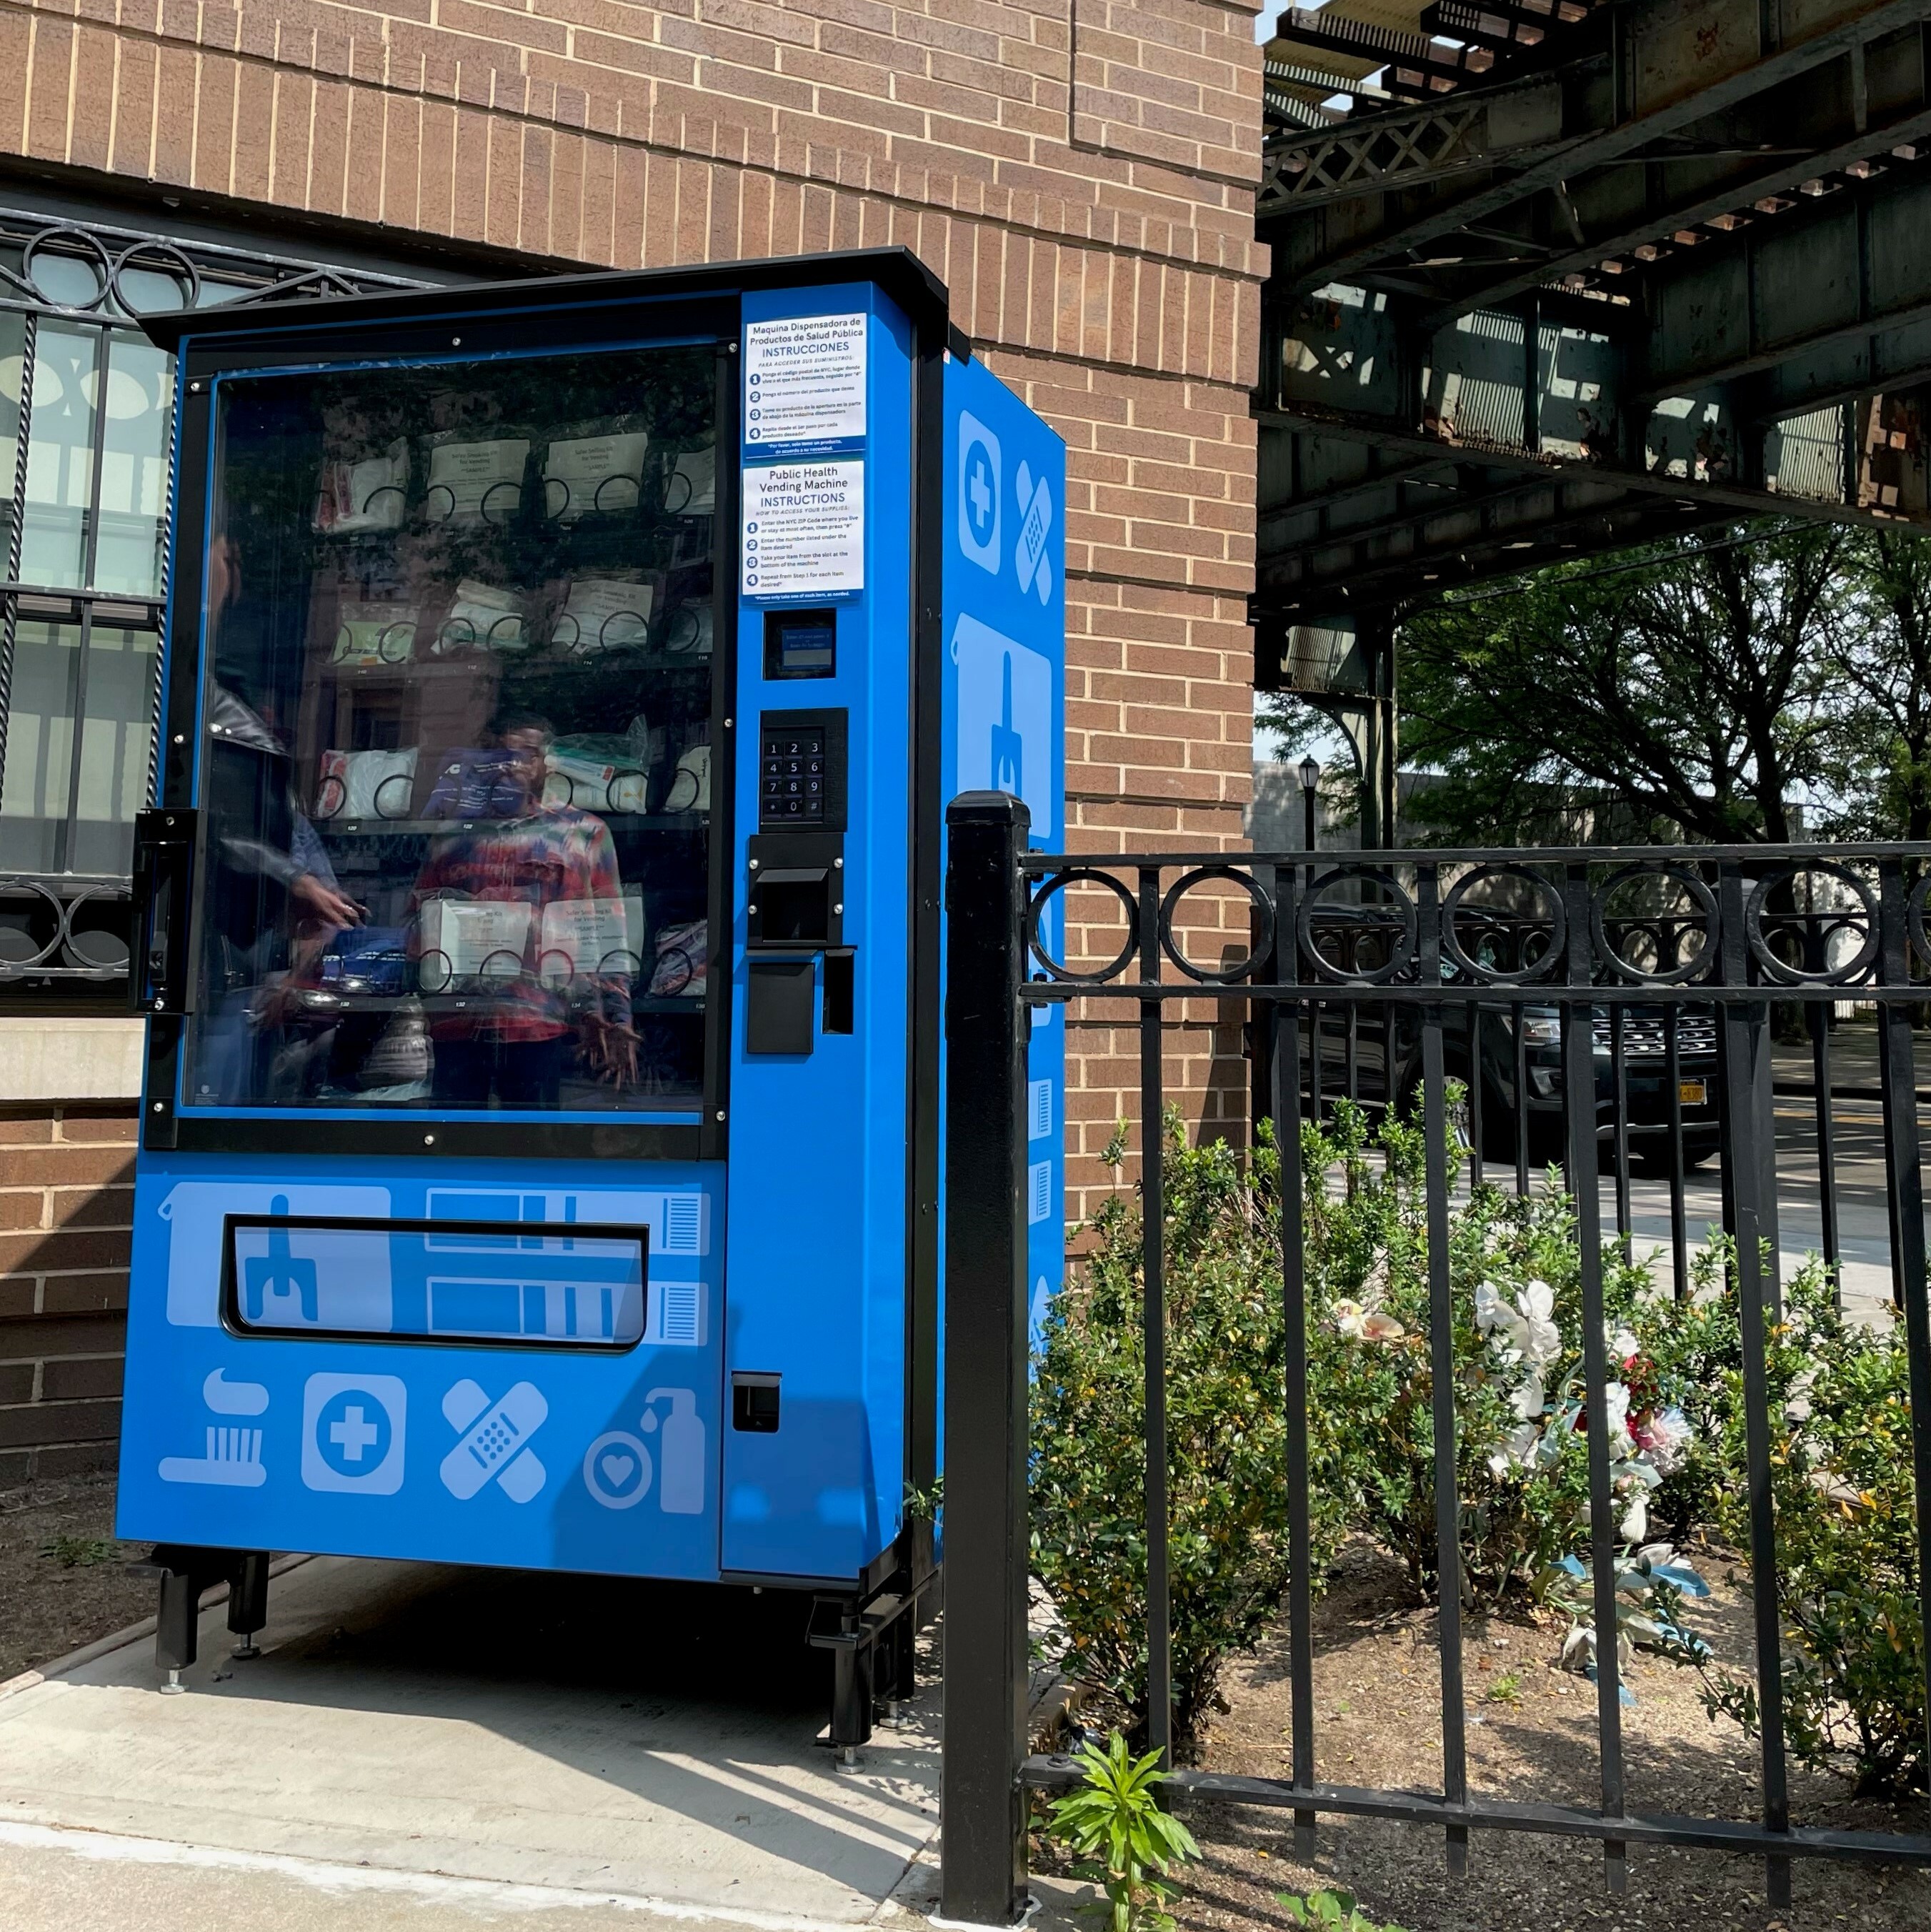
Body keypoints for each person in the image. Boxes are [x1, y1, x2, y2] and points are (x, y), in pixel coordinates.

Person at [409, 712, 637, 1105]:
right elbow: (417, 922)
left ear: (544, 764)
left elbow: (607, 931)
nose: (513, 764)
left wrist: (617, 1016)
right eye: (501, 753)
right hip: (459, 1023)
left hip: (543, 1024)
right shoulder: (451, 837)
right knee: (453, 1149)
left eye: (527, 754)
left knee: (533, 1146)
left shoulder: (582, 834)